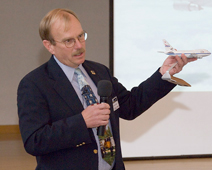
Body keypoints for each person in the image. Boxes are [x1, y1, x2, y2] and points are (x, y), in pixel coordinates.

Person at [17, 8, 197, 170]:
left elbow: (130, 106)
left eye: (81, 36)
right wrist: (82, 121)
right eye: (69, 41)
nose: (79, 45)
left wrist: (163, 74)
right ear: (49, 46)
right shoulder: (34, 84)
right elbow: (34, 141)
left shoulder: (99, 72)